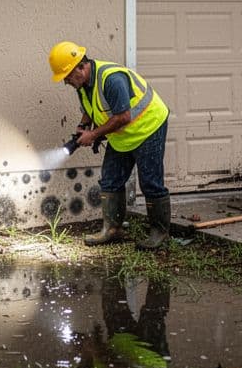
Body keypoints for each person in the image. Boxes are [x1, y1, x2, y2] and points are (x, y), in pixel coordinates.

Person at [48, 41, 171, 249]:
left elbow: (123, 116)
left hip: (148, 127)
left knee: (151, 182)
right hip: (123, 135)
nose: (67, 82)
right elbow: (91, 107)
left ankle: (160, 234)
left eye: (68, 76)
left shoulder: (112, 79)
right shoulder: (83, 85)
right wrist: (83, 125)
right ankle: (112, 229)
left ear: (81, 66)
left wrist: (94, 134)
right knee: (111, 180)